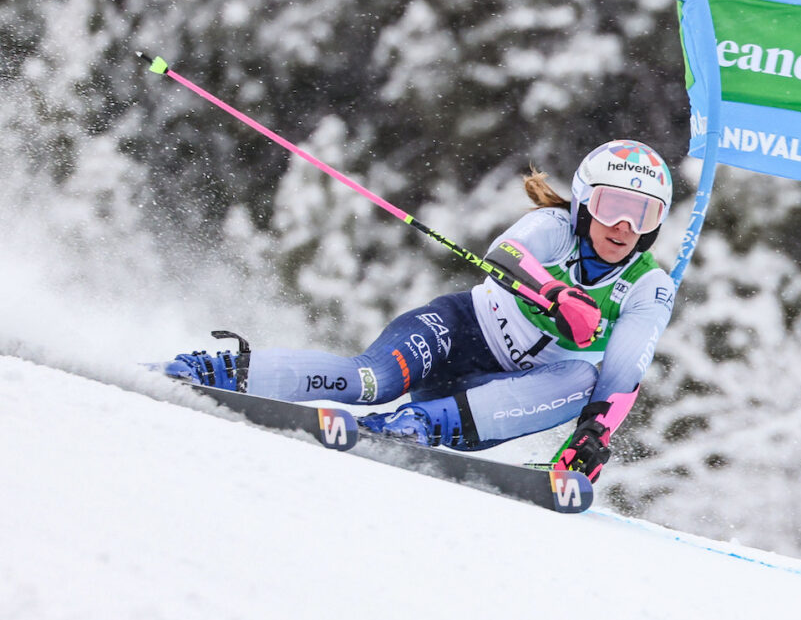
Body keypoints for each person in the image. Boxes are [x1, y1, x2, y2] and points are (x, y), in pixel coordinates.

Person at [162, 139, 676, 482]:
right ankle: (224, 371)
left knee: (585, 380)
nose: (624, 226)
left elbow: (625, 369)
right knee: (371, 380)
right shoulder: (555, 228)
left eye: (643, 214)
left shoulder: (647, 284)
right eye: (613, 206)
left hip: (494, 398)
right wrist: (556, 295)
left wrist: (593, 435)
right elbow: (506, 254)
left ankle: (415, 426)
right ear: (585, 202)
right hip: (458, 330)